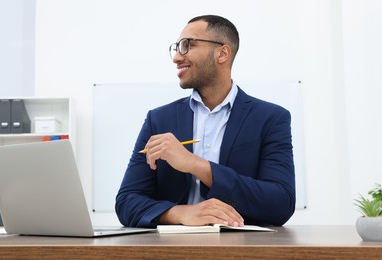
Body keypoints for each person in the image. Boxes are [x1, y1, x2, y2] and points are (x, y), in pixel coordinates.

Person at [115, 15, 295, 228]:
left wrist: (196, 165)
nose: (176, 58)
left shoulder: (271, 118)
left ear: (222, 53)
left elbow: (280, 203)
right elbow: (127, 202)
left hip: (243, 246)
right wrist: (179, 214)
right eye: (177, 48)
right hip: (170, 248)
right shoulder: (159, 119)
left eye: (187, 45)